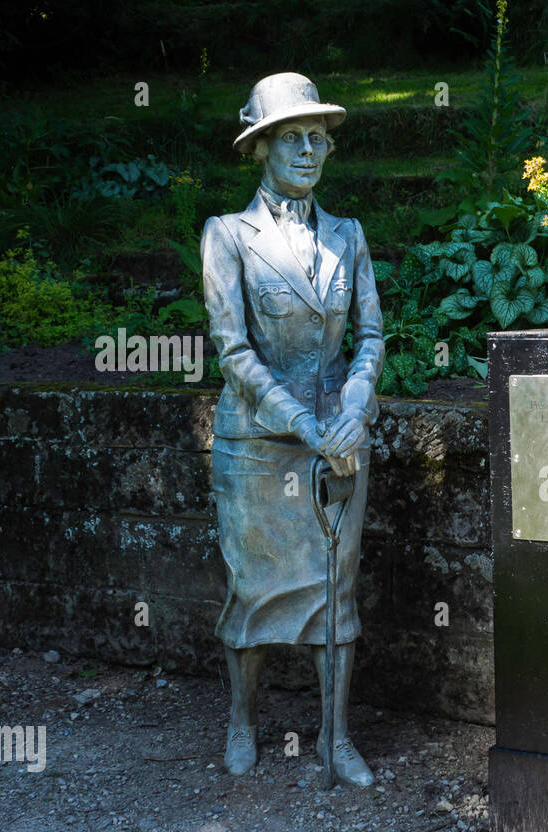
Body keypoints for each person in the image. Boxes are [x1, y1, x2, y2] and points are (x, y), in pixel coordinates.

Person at [201, 72, 383, 785]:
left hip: (337, 444)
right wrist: (306, 422)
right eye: (292, 137)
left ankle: (335, 739)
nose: (309, 150)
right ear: (262, 148)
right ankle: (242, 721)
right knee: (253, 591)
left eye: (319, 138)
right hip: (258, 444)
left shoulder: (349, 236)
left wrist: (354, 406)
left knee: (336, 593)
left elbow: (370, 335)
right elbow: (234, 351)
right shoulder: (227, 236)